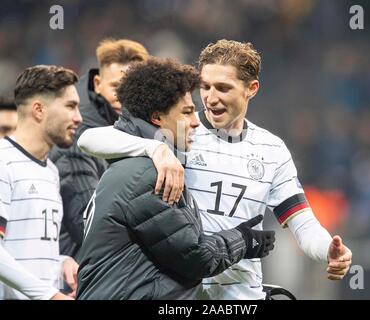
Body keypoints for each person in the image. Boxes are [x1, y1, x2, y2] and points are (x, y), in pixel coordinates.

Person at [78, 40, 353, 300]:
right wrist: (155, 149)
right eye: (205, 86)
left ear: (251, 88)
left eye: (223, 88)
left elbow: (302, 222)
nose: (210, 98)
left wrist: (328, 250)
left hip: (241, 293)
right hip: (183, 290)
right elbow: (89, 139)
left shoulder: (272, 150)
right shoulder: (179, 130)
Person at [76, 58, 275, 300]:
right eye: (187, 112)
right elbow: (196, 257)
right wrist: (244, 239)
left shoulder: (138, 161)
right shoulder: (149, 175)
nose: (194, 122)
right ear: (157, 117)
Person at [49, 38, 155, 257]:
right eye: (116, 87)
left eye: (133, 88)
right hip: (80, 271)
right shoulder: (77, 136)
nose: (123, 97)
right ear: (97, 83)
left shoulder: (139, 129)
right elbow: (86, 223)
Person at [0, 65, 81, 300]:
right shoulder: (3, 161)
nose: (79, 117)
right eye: (70, 106)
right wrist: (50, 295)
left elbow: (26, 251)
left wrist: (61, 262)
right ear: (38, 110)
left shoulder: (51, 172)